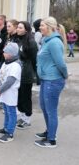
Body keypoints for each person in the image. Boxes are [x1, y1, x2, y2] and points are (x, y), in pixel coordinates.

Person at [35, 17, 68, 148]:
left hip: (53, 81)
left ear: (50, 27)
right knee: (44, 107)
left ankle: (52, 140)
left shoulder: (54, 42)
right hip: (45, 79)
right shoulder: (46, 40)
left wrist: (64, 76)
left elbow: (61, 63)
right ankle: (49, 132)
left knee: (51, 110)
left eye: (42, 25)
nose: (39, 27)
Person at [0, 42, 21, 143]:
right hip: (3, 92)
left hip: (10, 93)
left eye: (5, 52)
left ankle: (10, 133)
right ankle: (5, 128)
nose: (3, 53)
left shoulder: (15, 65)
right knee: (6, 111)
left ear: (11, 53)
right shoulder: (6, 63)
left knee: (11, 112)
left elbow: (10, 81)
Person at [15, 21, 38, 129]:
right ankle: (22, 116)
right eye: (18, 27)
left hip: (27, 74)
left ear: (26, 30)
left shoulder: (31, 42)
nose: (18, 29)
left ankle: (27, 119)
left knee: (26, 97)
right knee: (19, 96)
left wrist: (35, 75)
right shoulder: (18, 39)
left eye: (20, 27)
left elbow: (34, 60)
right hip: (18, 73)